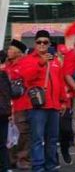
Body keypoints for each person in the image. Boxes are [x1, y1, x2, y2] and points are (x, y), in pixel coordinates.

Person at [15, 30, 67, 172]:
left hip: (54, 106)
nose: (42, 44)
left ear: (49, 43)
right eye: (39, 42)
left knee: (52, 139)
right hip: (36, 106)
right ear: (35, 43)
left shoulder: (56, 60)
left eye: (45, 42)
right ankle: (38, 167)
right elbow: (27, 77)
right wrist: (41, 63)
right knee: (37, 138)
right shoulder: (27, 59)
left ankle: (51, 166)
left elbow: (60, 82)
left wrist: (64, 102)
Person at [5, 39, 31, 170]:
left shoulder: (24, 64)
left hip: (21, 103)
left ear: (18, 52)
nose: (8, 51)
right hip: (6, 104)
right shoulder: (6, 65)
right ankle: (11, 159)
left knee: (22, 132)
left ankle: (23, 158)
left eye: (11, 49)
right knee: (9, 133)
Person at [0, 50, 12, 172]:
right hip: (4, 112)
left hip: (3, 112)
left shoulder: (4, 74)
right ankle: (5, 166)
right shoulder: (4, 74)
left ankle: (5, 166)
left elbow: (8, 93)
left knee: (2, 142)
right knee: (2, 142)